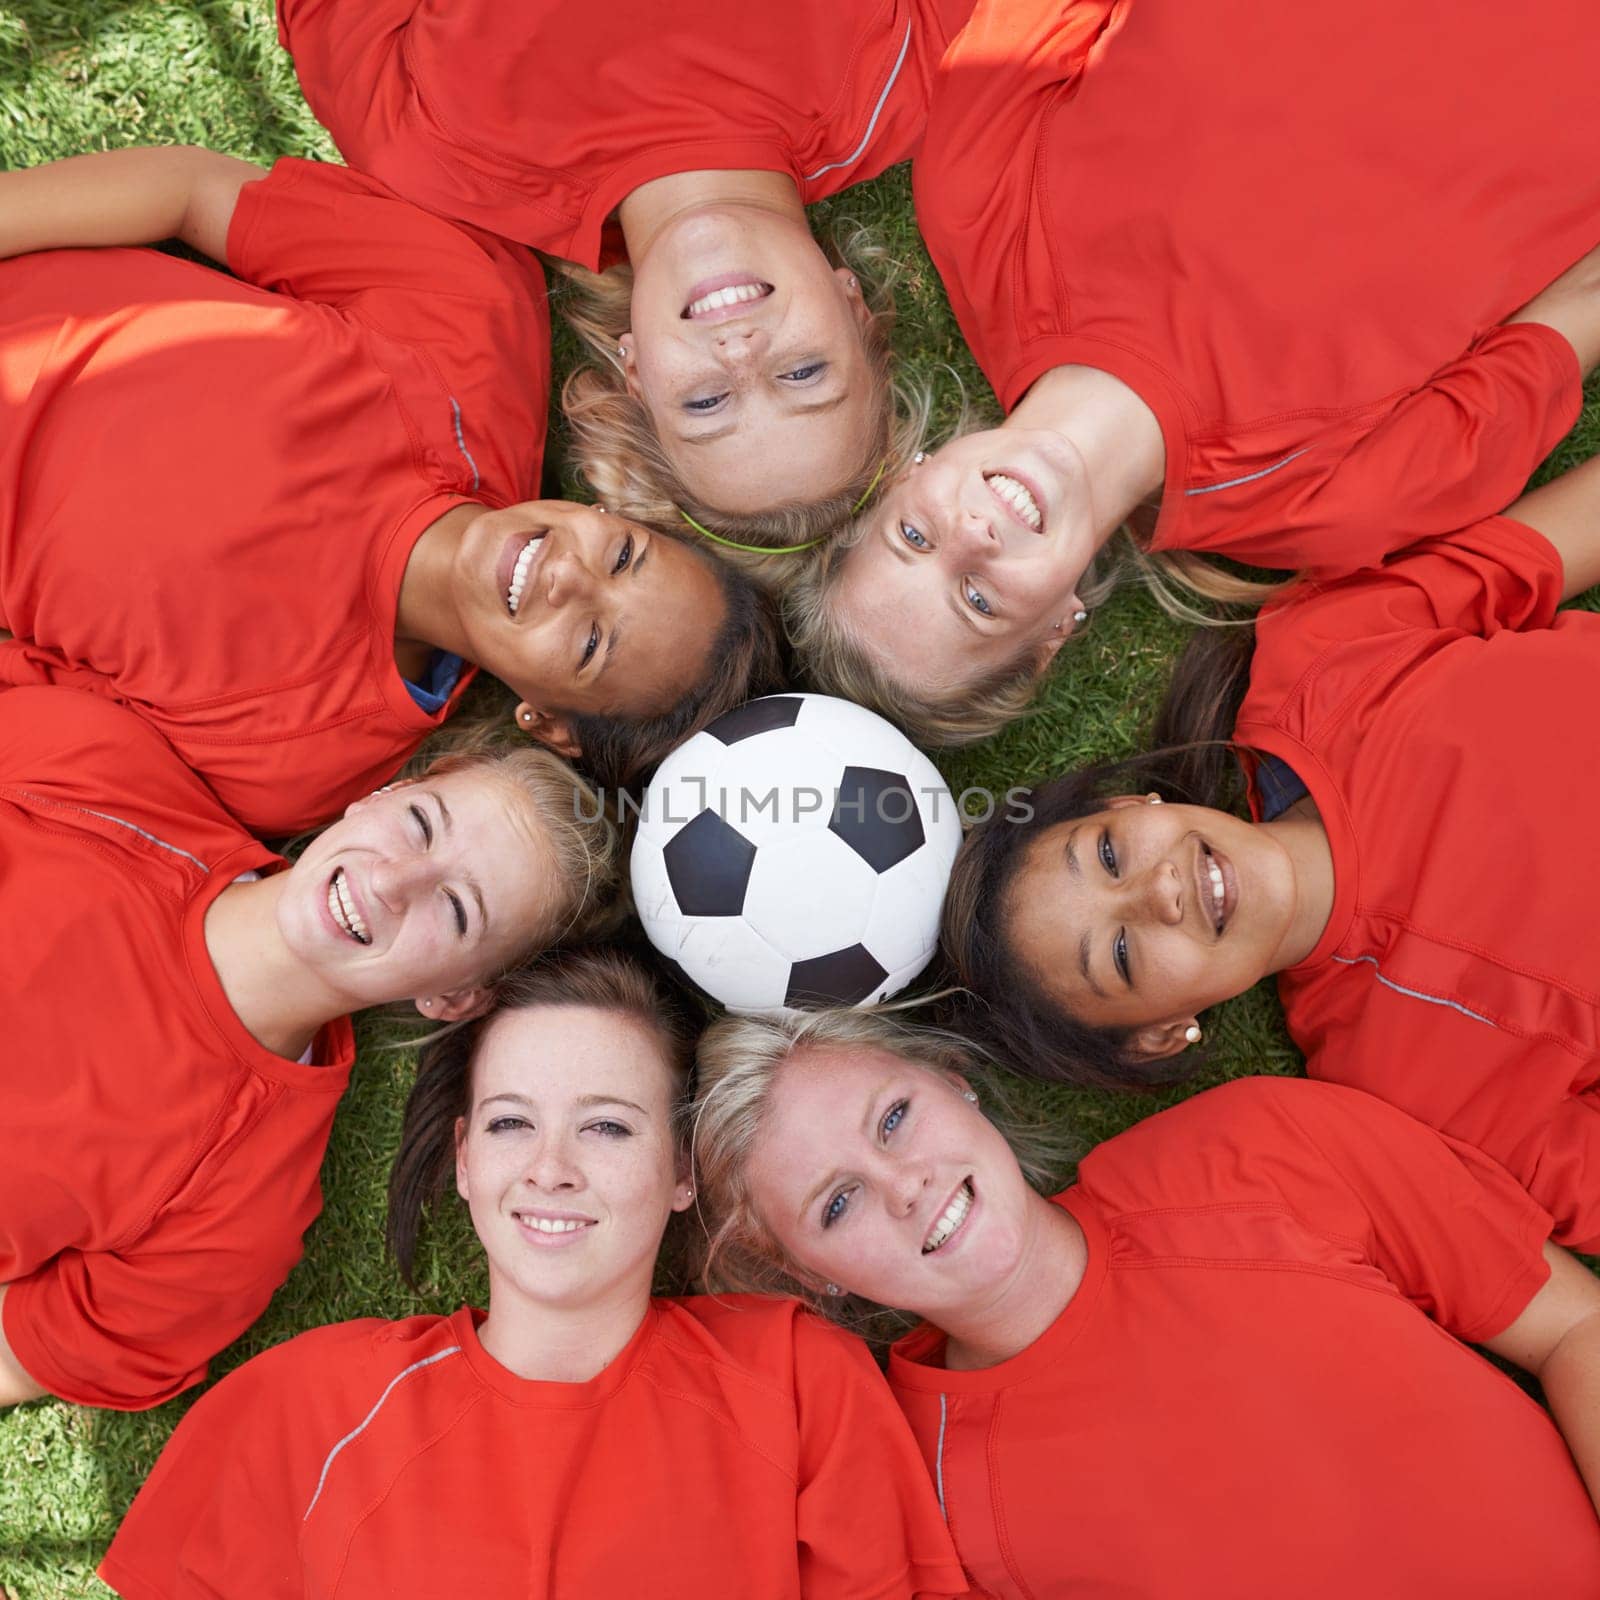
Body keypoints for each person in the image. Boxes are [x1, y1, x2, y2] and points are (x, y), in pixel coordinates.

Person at [787, 0, 1600, 743]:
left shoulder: (972, 205)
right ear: (1053, 633)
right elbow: (1580, 305)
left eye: (915, 536)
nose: (974, 538)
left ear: (902, 474)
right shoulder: (1337, 507)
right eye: (977, 601)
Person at [98, 949, 970, 1599]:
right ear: (466, 1160)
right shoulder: (306, 1404)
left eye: (608, 1128)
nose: (550, 1169)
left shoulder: (796, 1380)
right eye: (513, 1124)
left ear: (681, 1176)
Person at [0, 146, 780, 835]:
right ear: (616, 513)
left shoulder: (287, 761)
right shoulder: (473, 323)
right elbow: (194, 190)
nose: (567, 576)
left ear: (547, 725)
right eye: (622, 557)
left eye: (589, 643)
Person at [690, 1007, 1600, 1598]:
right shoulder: (918, 1498)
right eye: (837, 1204)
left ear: (955, 1085)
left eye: (893, 1119)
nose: (904, 1186)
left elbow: (1574, 1325)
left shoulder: (1256, 1147)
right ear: (811, 1275)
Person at [941, 447, 1600, 1251]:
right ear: (1161, 1032)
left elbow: (1553, 540)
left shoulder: (1323, 661)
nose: (1159, 895)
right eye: (1119, 954)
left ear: (1128, 804)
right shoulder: (1410, 1104)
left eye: (1110, 854)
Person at [0, 686, 618, 1412]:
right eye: (420, 824)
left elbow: (22, 1354)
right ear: (387, 793)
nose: (391, 881)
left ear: (456, 995)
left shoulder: (232, 1216)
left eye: (456, 910)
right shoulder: (102, 775)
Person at [274, 0, 973, 565]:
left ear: (635, 370)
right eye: (802, 373)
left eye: (704, 402)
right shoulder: (906, 67)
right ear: (853, 307)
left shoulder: (434, 157)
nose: (741, 353)